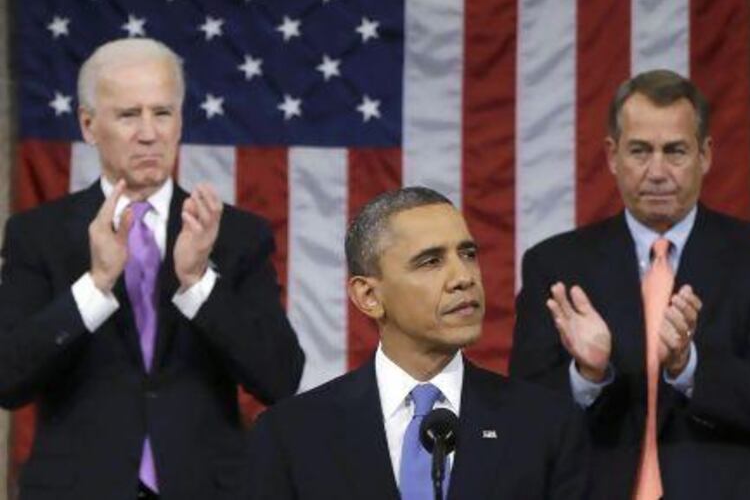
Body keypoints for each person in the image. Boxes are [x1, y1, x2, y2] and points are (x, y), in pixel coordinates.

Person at [0, 38, 305, 500]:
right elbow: (8, 379)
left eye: (162, 113)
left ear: (180, 121)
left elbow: (280, 378)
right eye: (128, 115)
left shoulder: (234, 234)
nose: (149, 133)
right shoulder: (37, 235)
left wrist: (199, 282)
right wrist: (96, 285)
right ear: (88, 125)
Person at [510, 69, 750, 499]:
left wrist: (689, 366)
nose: (658, 171)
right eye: (640, 151)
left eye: (676, 151)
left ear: (705, 155)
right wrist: (587, 375)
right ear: (612, 156)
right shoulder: (555, 265)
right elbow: (526, 413)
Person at [247, 187, 589, 500]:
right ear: (368, 295)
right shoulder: (291, 436)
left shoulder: (546, 426)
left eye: (467, 254)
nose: (463, 278)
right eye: (431, 261)